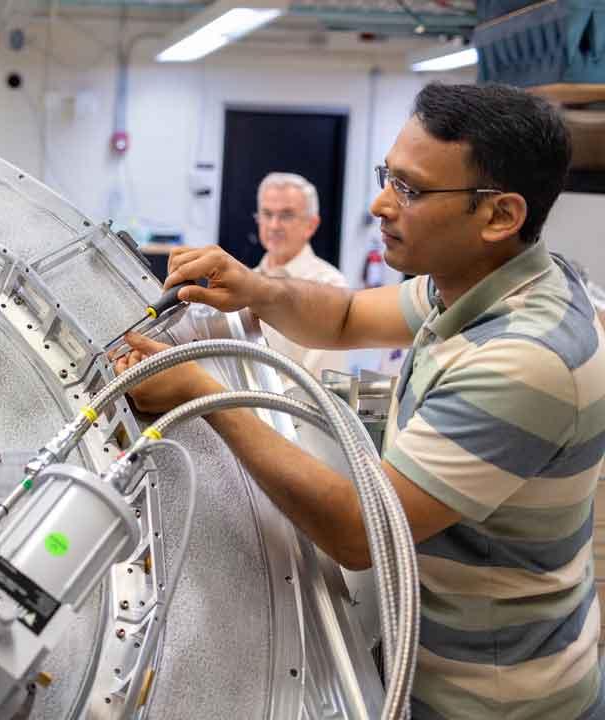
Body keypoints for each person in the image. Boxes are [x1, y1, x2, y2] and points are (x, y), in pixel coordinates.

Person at [117, 83, 605, 719]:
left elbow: (360, 531)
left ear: (499, 216)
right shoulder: (478, 282)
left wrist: (202, 392)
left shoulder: (525, 360)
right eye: (388, 177)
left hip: (492, 699)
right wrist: (256, 288)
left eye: (410, 189)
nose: (379, 204)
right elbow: (346, 316)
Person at [252, 171, 350, 381]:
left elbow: (320, 384)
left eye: (286, 215)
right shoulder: (247, 282)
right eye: (267, 214)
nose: (274, 225)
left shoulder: (331, 286)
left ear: (311, 225)